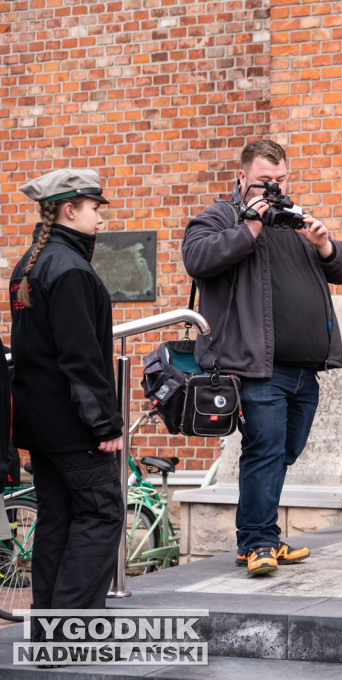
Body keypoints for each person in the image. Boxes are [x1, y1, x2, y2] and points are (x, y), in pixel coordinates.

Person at [182, 140, 342, 576]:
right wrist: (250, 227)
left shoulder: (293, 221)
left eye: (280, 181)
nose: (274, 189)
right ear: (242, 177)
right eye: (265, 181)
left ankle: (258, 537)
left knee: (284, 450)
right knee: (264, 449)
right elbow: (197, 257)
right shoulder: (220, 217)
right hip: (257, 366)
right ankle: (258, 541)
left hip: (305, 369)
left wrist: (324, 246)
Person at [10, 169, 124, 633]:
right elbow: (80, 359)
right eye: (95, 208)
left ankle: (47, 632)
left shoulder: (31, 264)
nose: (101, 218)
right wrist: (106, 425)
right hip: (75, 426)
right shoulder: (71, 269)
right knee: (101, 513)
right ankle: (70, 631)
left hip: (42, 424)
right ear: (68, 209)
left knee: (58, 519)